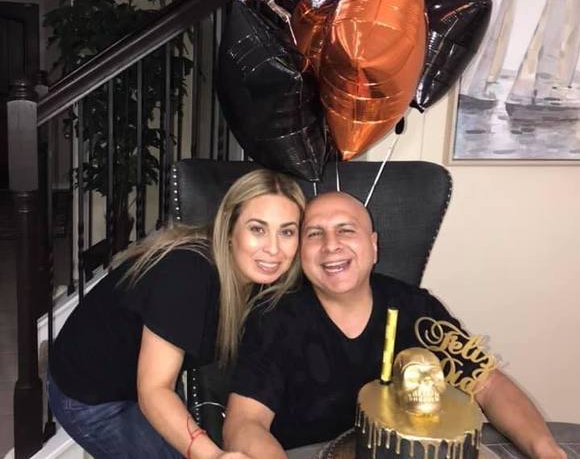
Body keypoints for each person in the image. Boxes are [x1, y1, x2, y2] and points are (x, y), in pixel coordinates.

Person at [223, 191, 566, 459]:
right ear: (301, 253)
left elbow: (488, 384)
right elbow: (244, 423)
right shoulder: (275, 318)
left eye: (346, 230)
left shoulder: (416, 309)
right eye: (315, 234)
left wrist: (546, 450)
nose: (331, 245)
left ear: (373, 246)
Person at [48, 169, 306, 459]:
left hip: (144, 376)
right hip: (91, 392)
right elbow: (155, 391)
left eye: (287, 232)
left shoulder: (261, 280)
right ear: (229, 227)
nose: (273, 248)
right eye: (257, 229)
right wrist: (214, 456)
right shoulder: (187, 273)